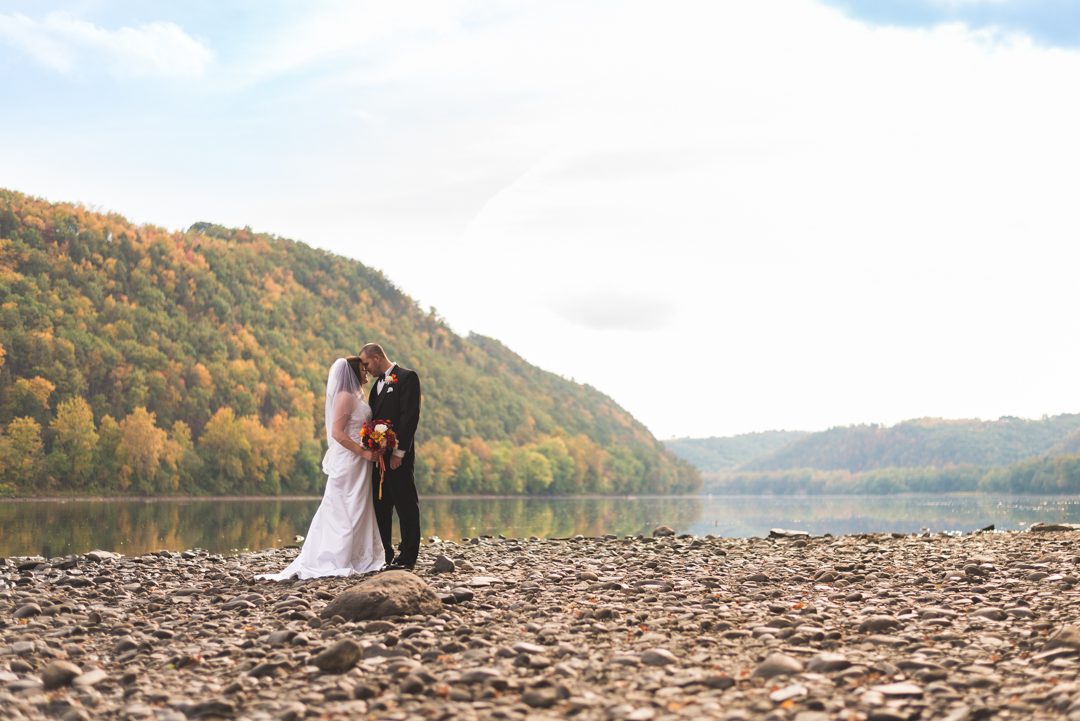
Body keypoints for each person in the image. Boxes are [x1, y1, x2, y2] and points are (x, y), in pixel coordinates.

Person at [256, 357, 385, 580]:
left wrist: (375, 441)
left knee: (359, 506)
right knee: (342, 506)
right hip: (351, 460)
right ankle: (334, 557)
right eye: (363, 370)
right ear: (353, 373)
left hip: (361, 462)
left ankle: (360, 556)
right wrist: (364, 452)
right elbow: (337, 432)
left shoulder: (357, 395)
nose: (366, 374)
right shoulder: (345, 396)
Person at [358, 343, 422, 569]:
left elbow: (409, 418)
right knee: (381, 506)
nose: (365, 369)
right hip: (379, 459)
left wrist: (398, 452)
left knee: (406, 505)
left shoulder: (407, 378)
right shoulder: (376, 387)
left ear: (376, 358)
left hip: (398, 457)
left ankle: (408, 557)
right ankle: (385, 554)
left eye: (366, 363)